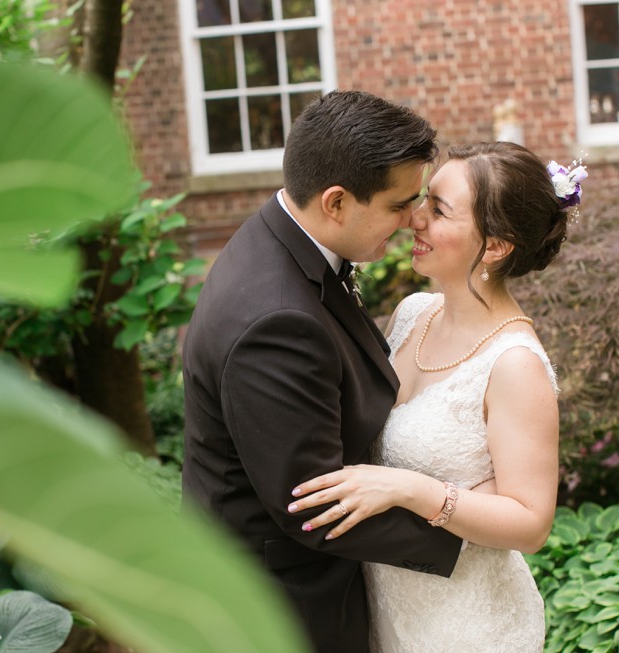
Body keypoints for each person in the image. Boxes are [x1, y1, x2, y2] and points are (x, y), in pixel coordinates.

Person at [180, 90, 464, 653]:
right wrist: (470, 533)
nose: (414, 220)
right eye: (398, 204)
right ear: (335, 202)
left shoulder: (285, 239)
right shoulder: (277, 321)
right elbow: (311, 506)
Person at [288, 141, 584, 652]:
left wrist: (411, 489)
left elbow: (531, 524)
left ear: (495, 246)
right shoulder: (412, 314)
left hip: (466, 624)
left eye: (438, 210)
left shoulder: (514, 365)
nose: (413, 219)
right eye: (423, 200)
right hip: (387, 606)